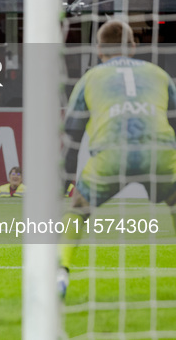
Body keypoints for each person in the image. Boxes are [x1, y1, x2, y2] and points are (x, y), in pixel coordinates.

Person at [59, 20, 176, 297]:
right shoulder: (159, 74)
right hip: (160, 152)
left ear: (99, 49)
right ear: (133, 46)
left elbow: (72, 135)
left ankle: (60, 272)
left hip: (110, 156)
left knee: (78, 209)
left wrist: (65, 183)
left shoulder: (90, 78)